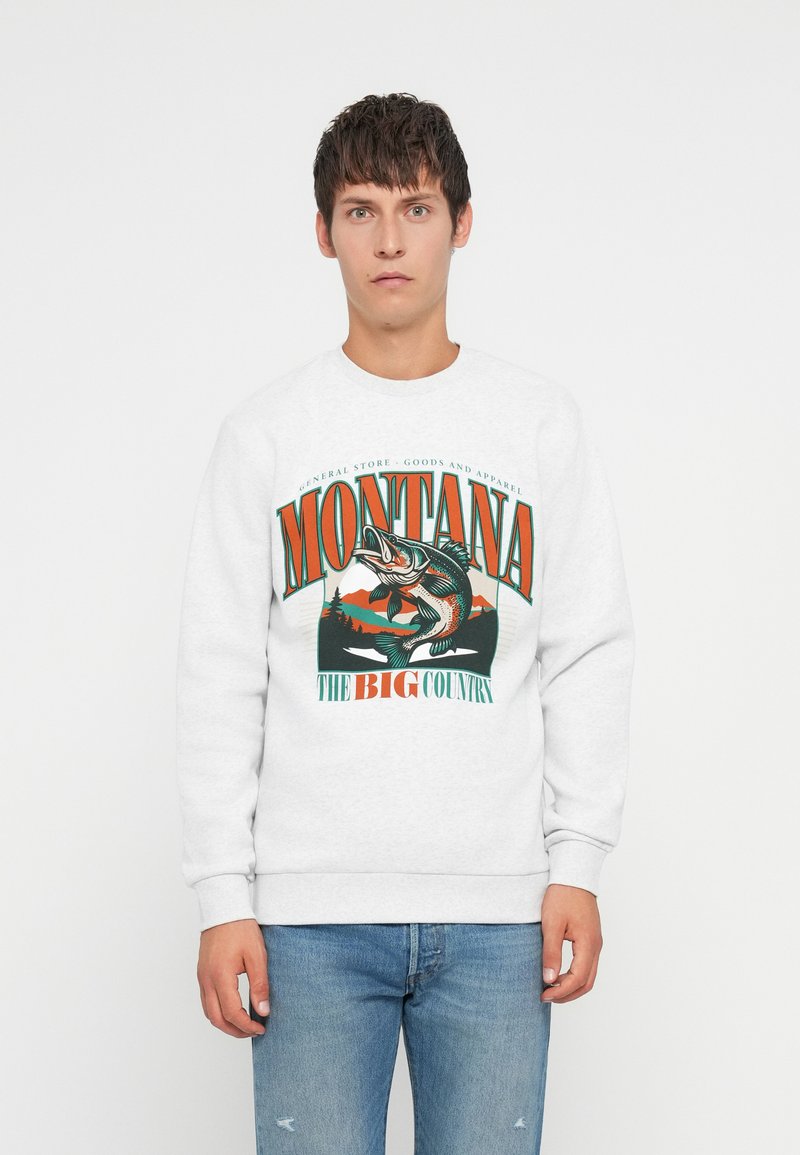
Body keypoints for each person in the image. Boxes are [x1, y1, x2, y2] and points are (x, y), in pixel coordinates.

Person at [176, 91, 635, 1155]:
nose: (389, 240)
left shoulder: (536, 422)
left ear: (460, 224)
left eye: (416, 208)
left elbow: (586, 647)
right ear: (323, 231)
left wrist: (576, 862)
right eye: (361, 210)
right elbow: (219, 671)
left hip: (498, 918)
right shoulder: (265, 433)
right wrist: (220, 894)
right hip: (306, 920)